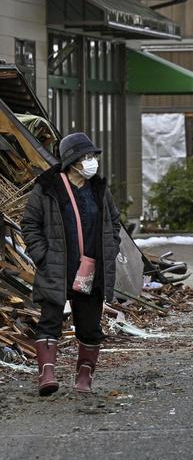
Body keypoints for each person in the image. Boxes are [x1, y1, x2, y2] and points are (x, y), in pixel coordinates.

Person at [22, 132, 122, 396]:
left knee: (90, 325)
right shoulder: (47, 188)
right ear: (72, 160)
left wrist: (109, 250)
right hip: (57, 266)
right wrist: (42, 255)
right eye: (86, 157)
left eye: (92, 156)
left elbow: (114, 222)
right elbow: (30, 224)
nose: (91, 162)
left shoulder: (99, 190)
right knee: (50, 320)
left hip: (92, 269)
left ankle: (84, 378)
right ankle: (47, 375)